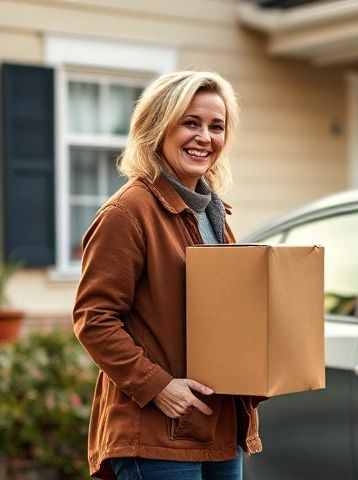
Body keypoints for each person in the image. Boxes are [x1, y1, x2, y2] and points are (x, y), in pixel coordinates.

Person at [73, 71, 263, 480]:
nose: (204, 137)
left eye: (216, 126)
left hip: (217, 424)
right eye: (190, 122)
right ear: (158, 126)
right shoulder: (128, 213)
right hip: (156, 432)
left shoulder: (213, 213)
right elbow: (94, 318)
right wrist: (158, 385)